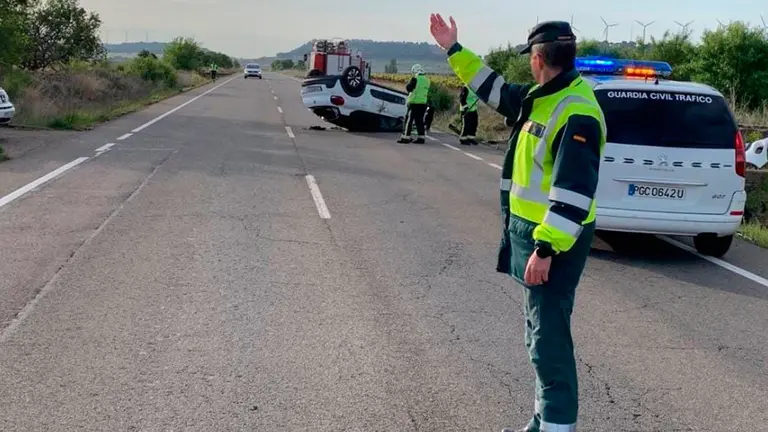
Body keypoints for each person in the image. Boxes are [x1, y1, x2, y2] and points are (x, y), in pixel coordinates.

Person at [430, 14, 606, 432]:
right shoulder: (542, 96)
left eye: (530, 57)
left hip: (553, 243)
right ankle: (542, 419)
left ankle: (557, 425)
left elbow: (574, 191)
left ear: (539, 58)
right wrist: (453, 49)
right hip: (536, 237)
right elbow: (493, 89)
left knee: (548, 340)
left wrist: (546, 248)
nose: (528, 64)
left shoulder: (575, 111)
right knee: (538, 334)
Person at [398, 64, 431, 144]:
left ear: (414, 71)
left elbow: (409, 88)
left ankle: (405, 137)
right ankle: (421, 138)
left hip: (414, 103)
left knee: (408, 120)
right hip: (423, 103)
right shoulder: (427, 80)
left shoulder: (415, 78)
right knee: (419, 121)